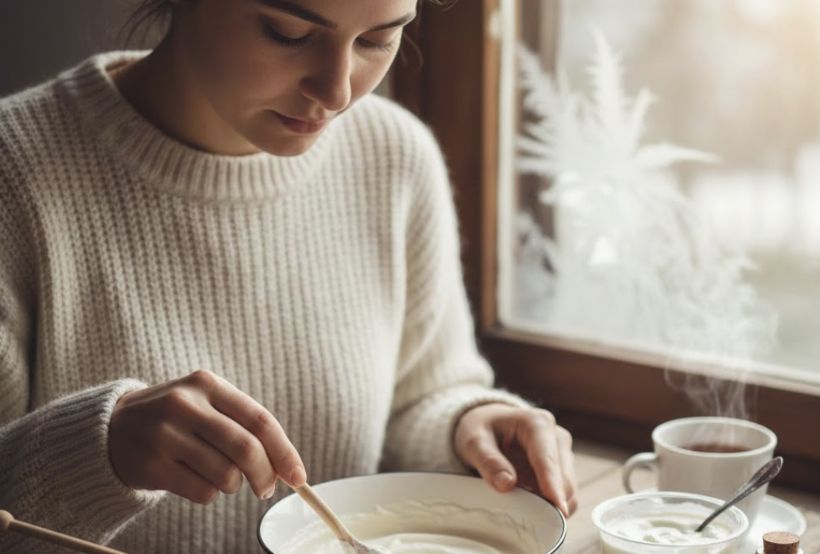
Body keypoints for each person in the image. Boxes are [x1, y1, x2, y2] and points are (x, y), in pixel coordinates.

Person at [0, 0, 577, 551]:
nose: (337, 91)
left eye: (378, 39)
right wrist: (97, 450)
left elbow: (422, 395)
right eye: (289, 34)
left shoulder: (393, 155)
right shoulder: (16, 173)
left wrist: (470, 425)